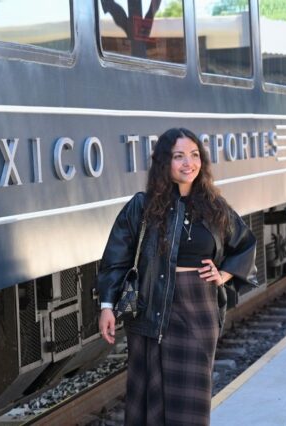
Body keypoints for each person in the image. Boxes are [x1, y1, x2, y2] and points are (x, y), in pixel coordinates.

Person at [96, 128, 257, 425]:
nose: (188, 163)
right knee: (149, 404)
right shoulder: (141, 206)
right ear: (164, 163)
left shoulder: (215, 207)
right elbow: (114, 259)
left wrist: (223, 274)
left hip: (199, 312)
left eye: (194, 155)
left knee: (190, 408)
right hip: (151, 310)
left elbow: (245, 244)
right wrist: (107, 306)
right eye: (178, 156)